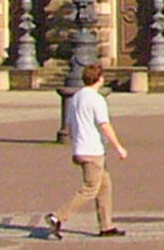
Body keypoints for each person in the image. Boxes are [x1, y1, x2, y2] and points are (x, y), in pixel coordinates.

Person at [45, 63, 129, 238]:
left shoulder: (76, 97)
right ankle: (57, 217)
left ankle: (106, 226)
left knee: (105, 186)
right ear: (99, 79)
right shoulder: (96, 99)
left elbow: (68, 123)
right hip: (92, 150)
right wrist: (118, 146)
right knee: (90, 188)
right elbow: (104, 124)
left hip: (80, 148)